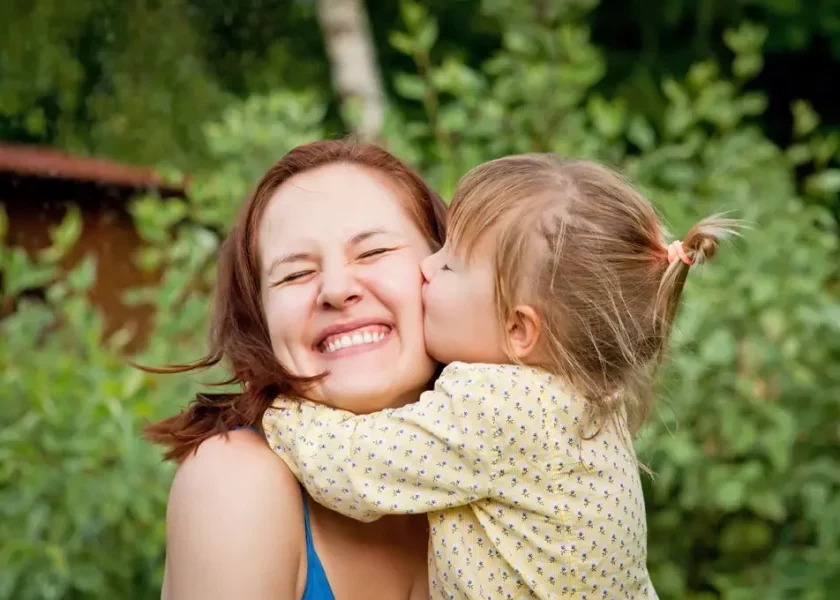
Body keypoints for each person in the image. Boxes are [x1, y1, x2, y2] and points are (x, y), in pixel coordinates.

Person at [265, 154, 740, 599]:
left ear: (518, 329)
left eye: (449, 264)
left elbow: (351, 468)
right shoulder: (590, 396)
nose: (425, 268)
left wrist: (279, 407)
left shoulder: (496, 405)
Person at [146, 140, 448, 600]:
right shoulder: (235, 480)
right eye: (294, 274)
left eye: (373, 252)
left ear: (447, 266)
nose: (337, 289)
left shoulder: (523, 456)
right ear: (260, 322)